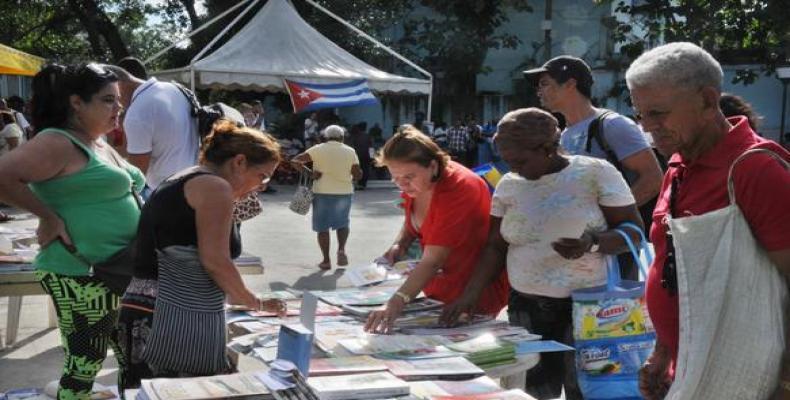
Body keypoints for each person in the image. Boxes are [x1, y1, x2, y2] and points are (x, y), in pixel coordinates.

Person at [625, 42, 790, 399]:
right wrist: (663, 352)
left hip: (749, 378)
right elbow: (673, 271)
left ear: (707, 99)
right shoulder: (677, 165)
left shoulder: (755, 169)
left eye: (658, 113)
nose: (649, 128)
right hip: (689, 370)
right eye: (641, 114)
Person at [442, 108, 643, 400]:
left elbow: (634, 232)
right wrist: (470, 295)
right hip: (527, 307)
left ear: (548, 148)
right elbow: (496, 245)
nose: (514, 169)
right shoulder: (510, 184)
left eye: (520, 160)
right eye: (507, 161)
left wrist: (593, 242)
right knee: (533, 391)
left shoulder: (594, 173)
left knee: (586, 390)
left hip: (588, 308)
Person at [0, 63, 144, 399]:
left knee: (131, 358)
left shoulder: (97, 142)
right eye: (108, 100)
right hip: (82, 273)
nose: (118, 108)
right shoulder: (57, 142)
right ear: (77, 102)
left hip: (117, 270)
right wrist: (47, 216)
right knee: (84, 364)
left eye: (119, 101)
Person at [117, 119, 287, 389]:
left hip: (148, 310)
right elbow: (216, 261)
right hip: (172, 318)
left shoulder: (186, 177)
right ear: (239, 162)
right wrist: (256, 302)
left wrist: (241, 298)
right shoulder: (214, 187)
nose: (262, 185)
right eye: (262, 176)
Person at [524, 55, 663, 277]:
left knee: (610, 310)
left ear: (570, 84)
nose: (539, 91)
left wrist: (603, 220)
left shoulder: (612, 125)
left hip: (613, 248)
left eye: (544, 83)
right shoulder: (564, 135)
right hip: (579, 250)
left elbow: (653, 179)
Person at [364, 126, 510, 334]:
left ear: (433, 166)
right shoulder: (418, 183)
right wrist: (399, 245)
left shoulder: (459, 188)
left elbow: (433, 261)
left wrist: (396, 301)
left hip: (469, 293)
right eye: (395, 178)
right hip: (435, 288)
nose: (403, 185)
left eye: (408, 177)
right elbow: (413, 224)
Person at [104, 65, 199, 199]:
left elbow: (136, 177)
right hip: (194, 183)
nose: (115, 105)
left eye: (108, 97)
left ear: (117, 85)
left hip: (166, 195)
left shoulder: (137, 113)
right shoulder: (173, 88)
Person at [291, 125, 362, 270]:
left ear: (326, 137)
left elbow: (295, 161)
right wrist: (355, 175)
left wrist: (310, 173)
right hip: (344, 192)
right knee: (342, 223)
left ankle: (326, 260)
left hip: (321, 192)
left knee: (322, 227)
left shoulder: (318, 149)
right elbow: (357, 175)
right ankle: (341, 250)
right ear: (342, 137)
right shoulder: (350, 151)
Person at [349, 122, 372, 190]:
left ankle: (357, 184)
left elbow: (352, 145)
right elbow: (371, 147)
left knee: (357, 169)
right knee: (365, 170)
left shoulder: (355, 136)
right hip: (366, 156)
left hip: (357, 155)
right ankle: (362, 184)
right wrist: (372, 156)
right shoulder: (368, 136)